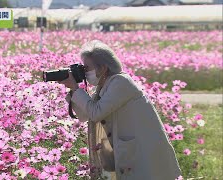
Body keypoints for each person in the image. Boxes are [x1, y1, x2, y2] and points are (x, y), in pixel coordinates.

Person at [58, 40, 182, 180]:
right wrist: (72, 90)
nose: (84, 72)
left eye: (87, 68)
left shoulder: (121, 82)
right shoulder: (104, 86)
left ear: (103, 68)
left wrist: (76, 89)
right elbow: (86, 115)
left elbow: (96, 112)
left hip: (142, 150)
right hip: (130, 149)